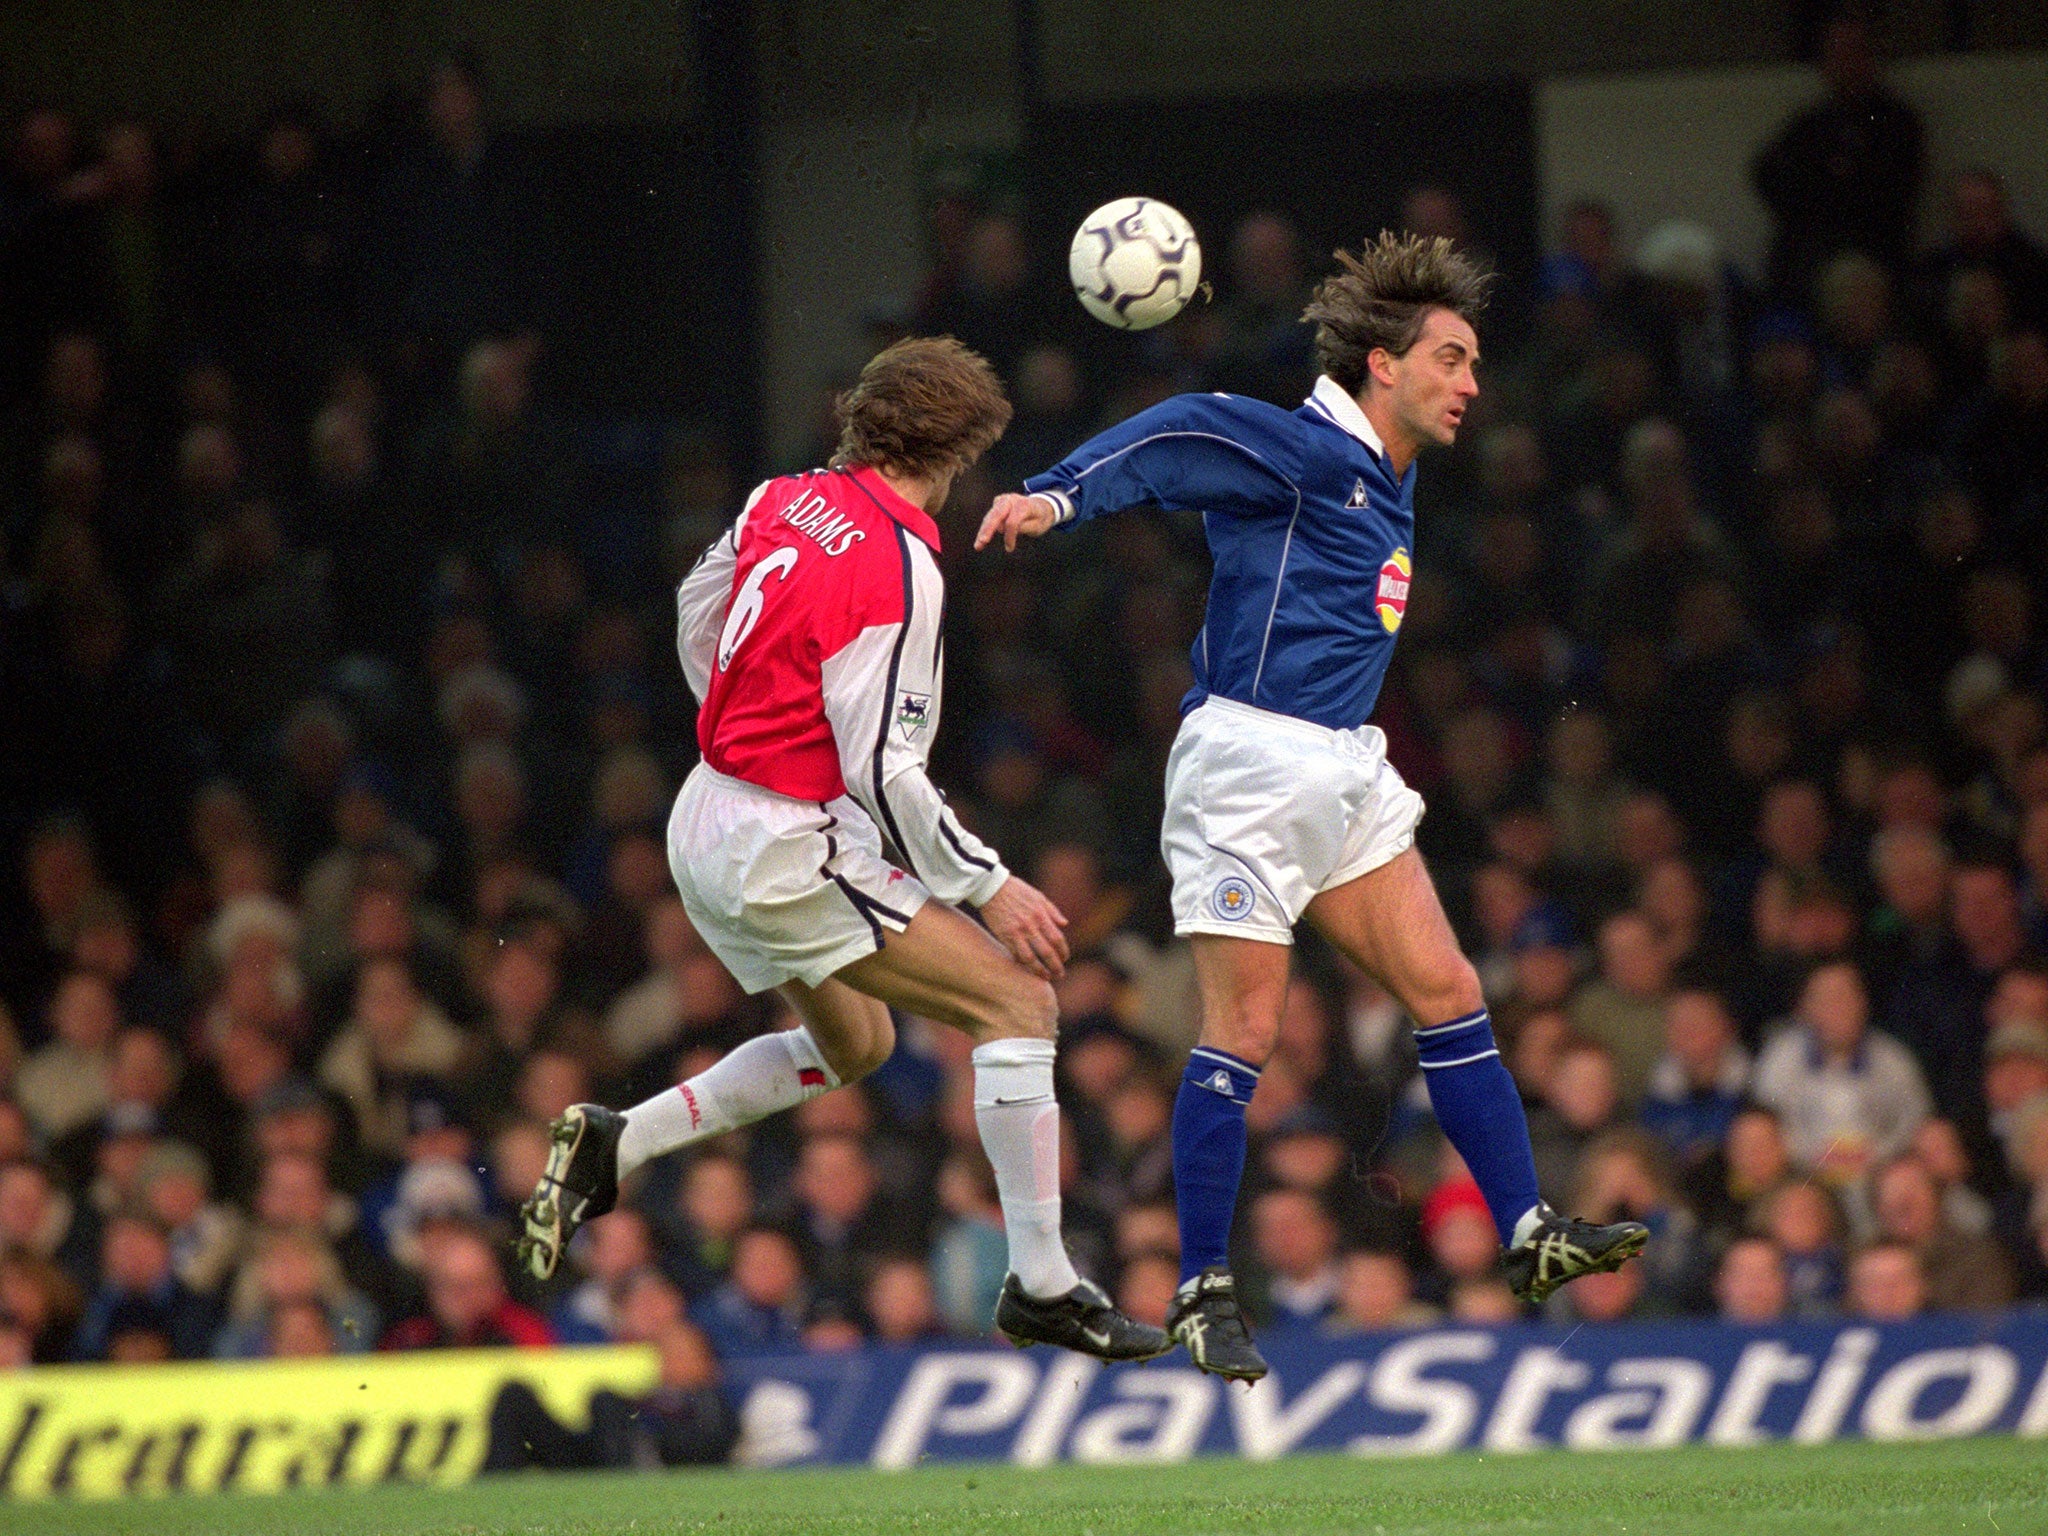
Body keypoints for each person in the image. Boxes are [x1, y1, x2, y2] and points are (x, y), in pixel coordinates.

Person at [977, 232, 1646, 1381]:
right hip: (1245, 766)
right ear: (1381, 365)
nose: (1471, 384)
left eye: (1474, 361)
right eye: (1450, 358)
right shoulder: (1295, 446)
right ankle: (1197, 1285)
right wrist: (1056, 497)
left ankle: (1527, 1235)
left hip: (1343, 763)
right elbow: (1176, 433)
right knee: (1244, 1032)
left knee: (1448, 993)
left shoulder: (1393, 476)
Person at [518, 337, 1164, 1365]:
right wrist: (986, 888)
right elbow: (887, 773)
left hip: (708, 812)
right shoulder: (901, 567)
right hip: (784, 837)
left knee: (856, 1047)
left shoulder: (783, 496)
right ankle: (1040, 1282)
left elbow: (699, 609)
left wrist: (738, 717)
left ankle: (618, 1139)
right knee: (1018, 1002)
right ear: (954, 449)